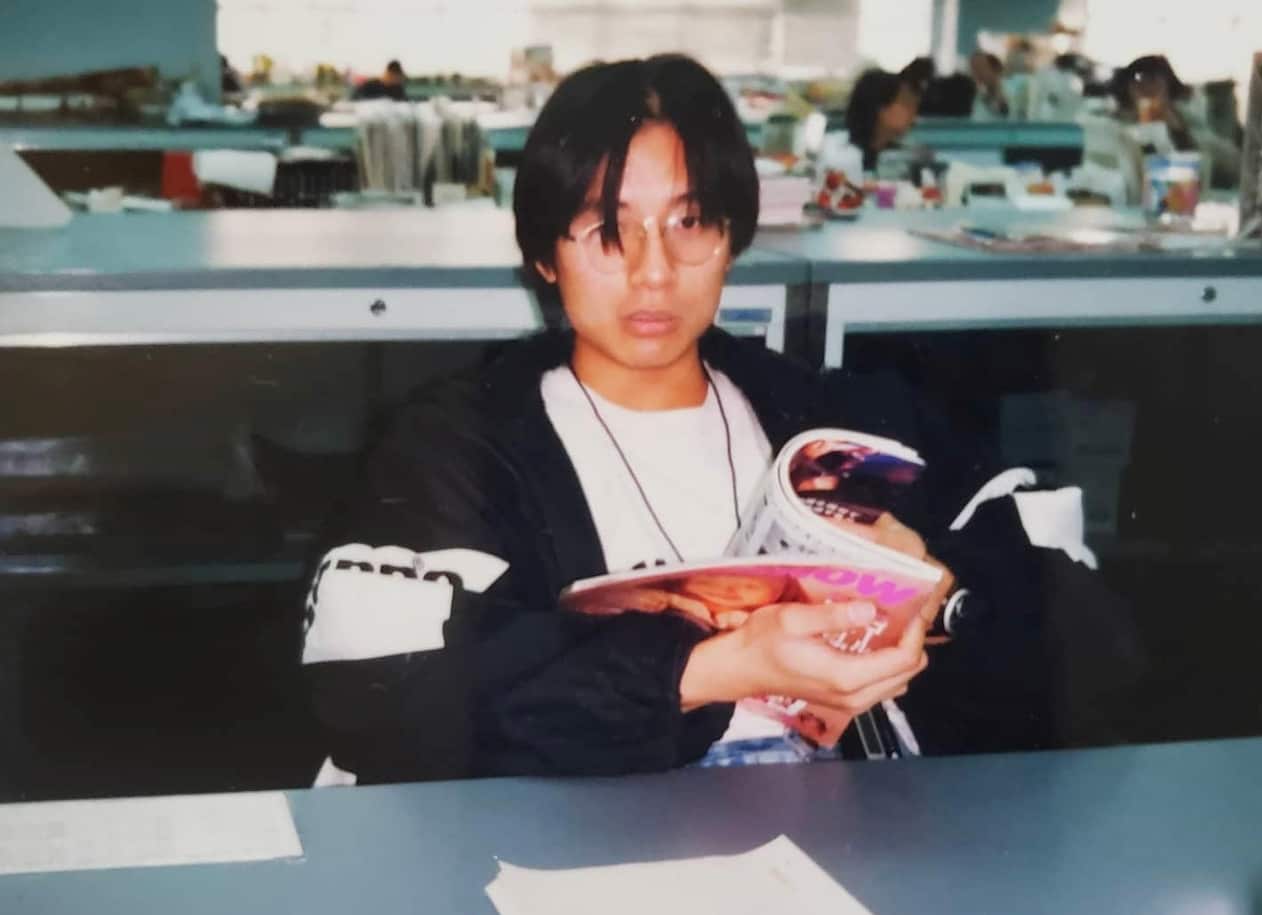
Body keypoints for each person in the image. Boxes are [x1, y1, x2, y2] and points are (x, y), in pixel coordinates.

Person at [302, 53, 1145, 786]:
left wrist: (944, 590)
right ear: (541, 254)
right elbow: (375, 693)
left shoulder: (843, 420)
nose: (653, 272)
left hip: (849, 849)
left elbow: (1102, 651)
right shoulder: (457, 446)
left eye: (690, 222)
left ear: (734, 236)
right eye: (606, 230)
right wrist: (707, 670)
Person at [1111, 54, 1240, 188]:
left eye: (1153, 81)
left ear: (1168, 87)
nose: (1146, 89)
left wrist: (1179, 132)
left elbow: (1231, 162)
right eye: (1139, 82)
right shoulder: (1115, 123)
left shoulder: (1186, 120)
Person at [843, 69, 920, 172]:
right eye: (906, 104)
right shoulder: (838, 156)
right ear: (881, 108)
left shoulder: (907, 158)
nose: (913, 113)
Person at [969, 52, 1009, 120]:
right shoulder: (976, 97)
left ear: (996, 69)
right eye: (973, 69)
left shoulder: (1011, 91)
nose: (976, 73)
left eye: (980, 67)